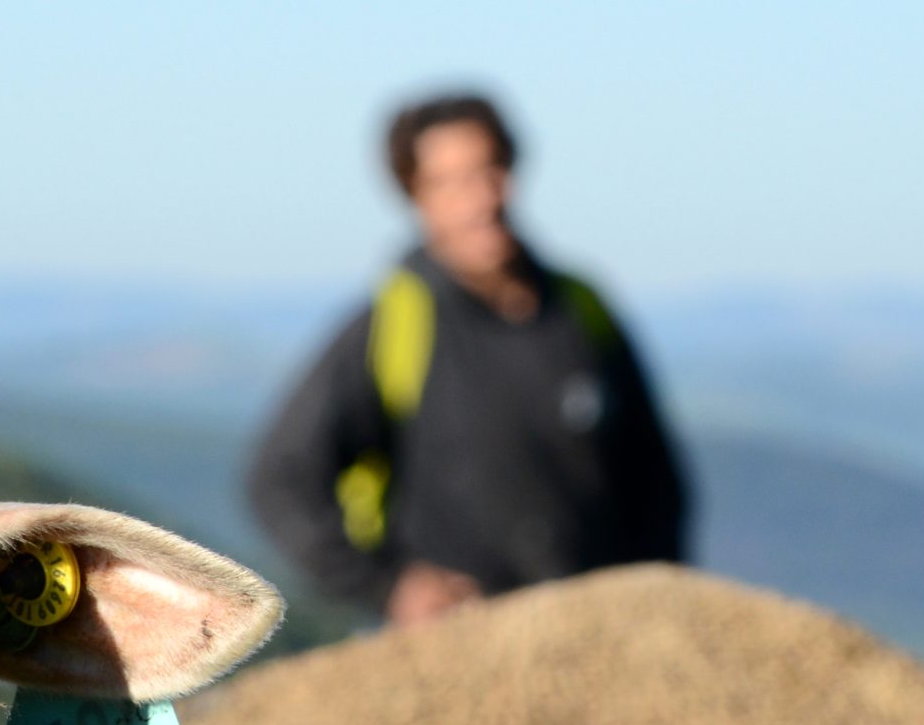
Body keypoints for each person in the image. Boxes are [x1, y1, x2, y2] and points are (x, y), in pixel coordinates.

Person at [247, 90, 687, 626]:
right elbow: (280, 477)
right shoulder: (394, 325)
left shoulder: (583, 310)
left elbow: (658, 480)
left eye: (489, 170)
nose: (480, 199)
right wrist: (387, 587)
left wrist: (656, 602)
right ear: (414, 196)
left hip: (596, 640)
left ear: (513, 170)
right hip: (459, 651)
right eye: (448, 183)